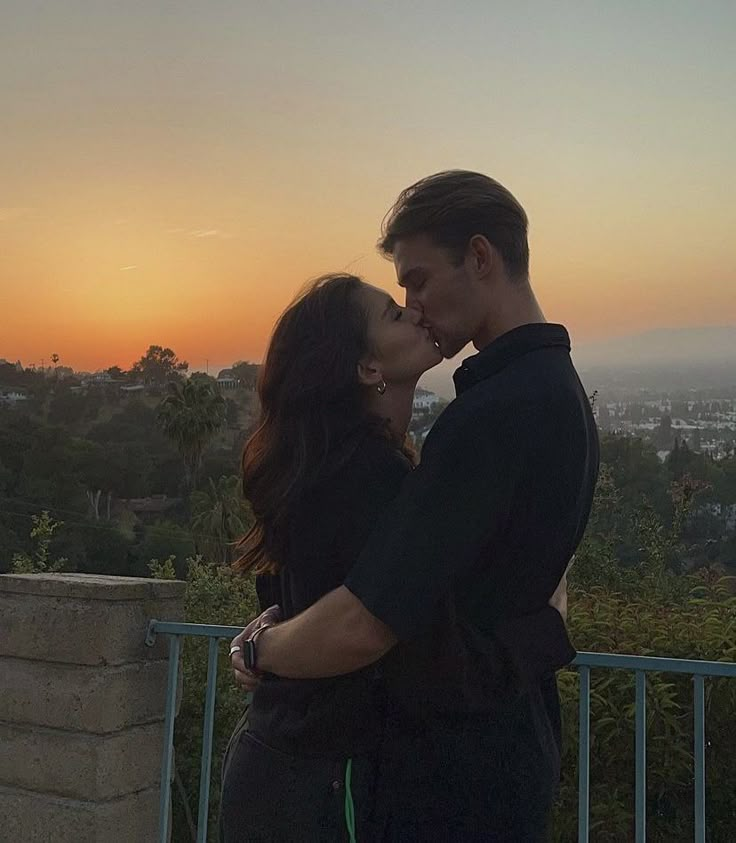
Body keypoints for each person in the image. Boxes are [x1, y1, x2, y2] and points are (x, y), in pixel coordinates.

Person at [231, 171, 600, 841]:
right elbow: (533, 576)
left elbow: (370, 626)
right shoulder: (558, 393)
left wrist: (261, 646)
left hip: (451, 783)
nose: (416, 304)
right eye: (401, 297)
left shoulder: (489, 416)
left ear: (481, 258)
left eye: (419, 282)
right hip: (479, 764)